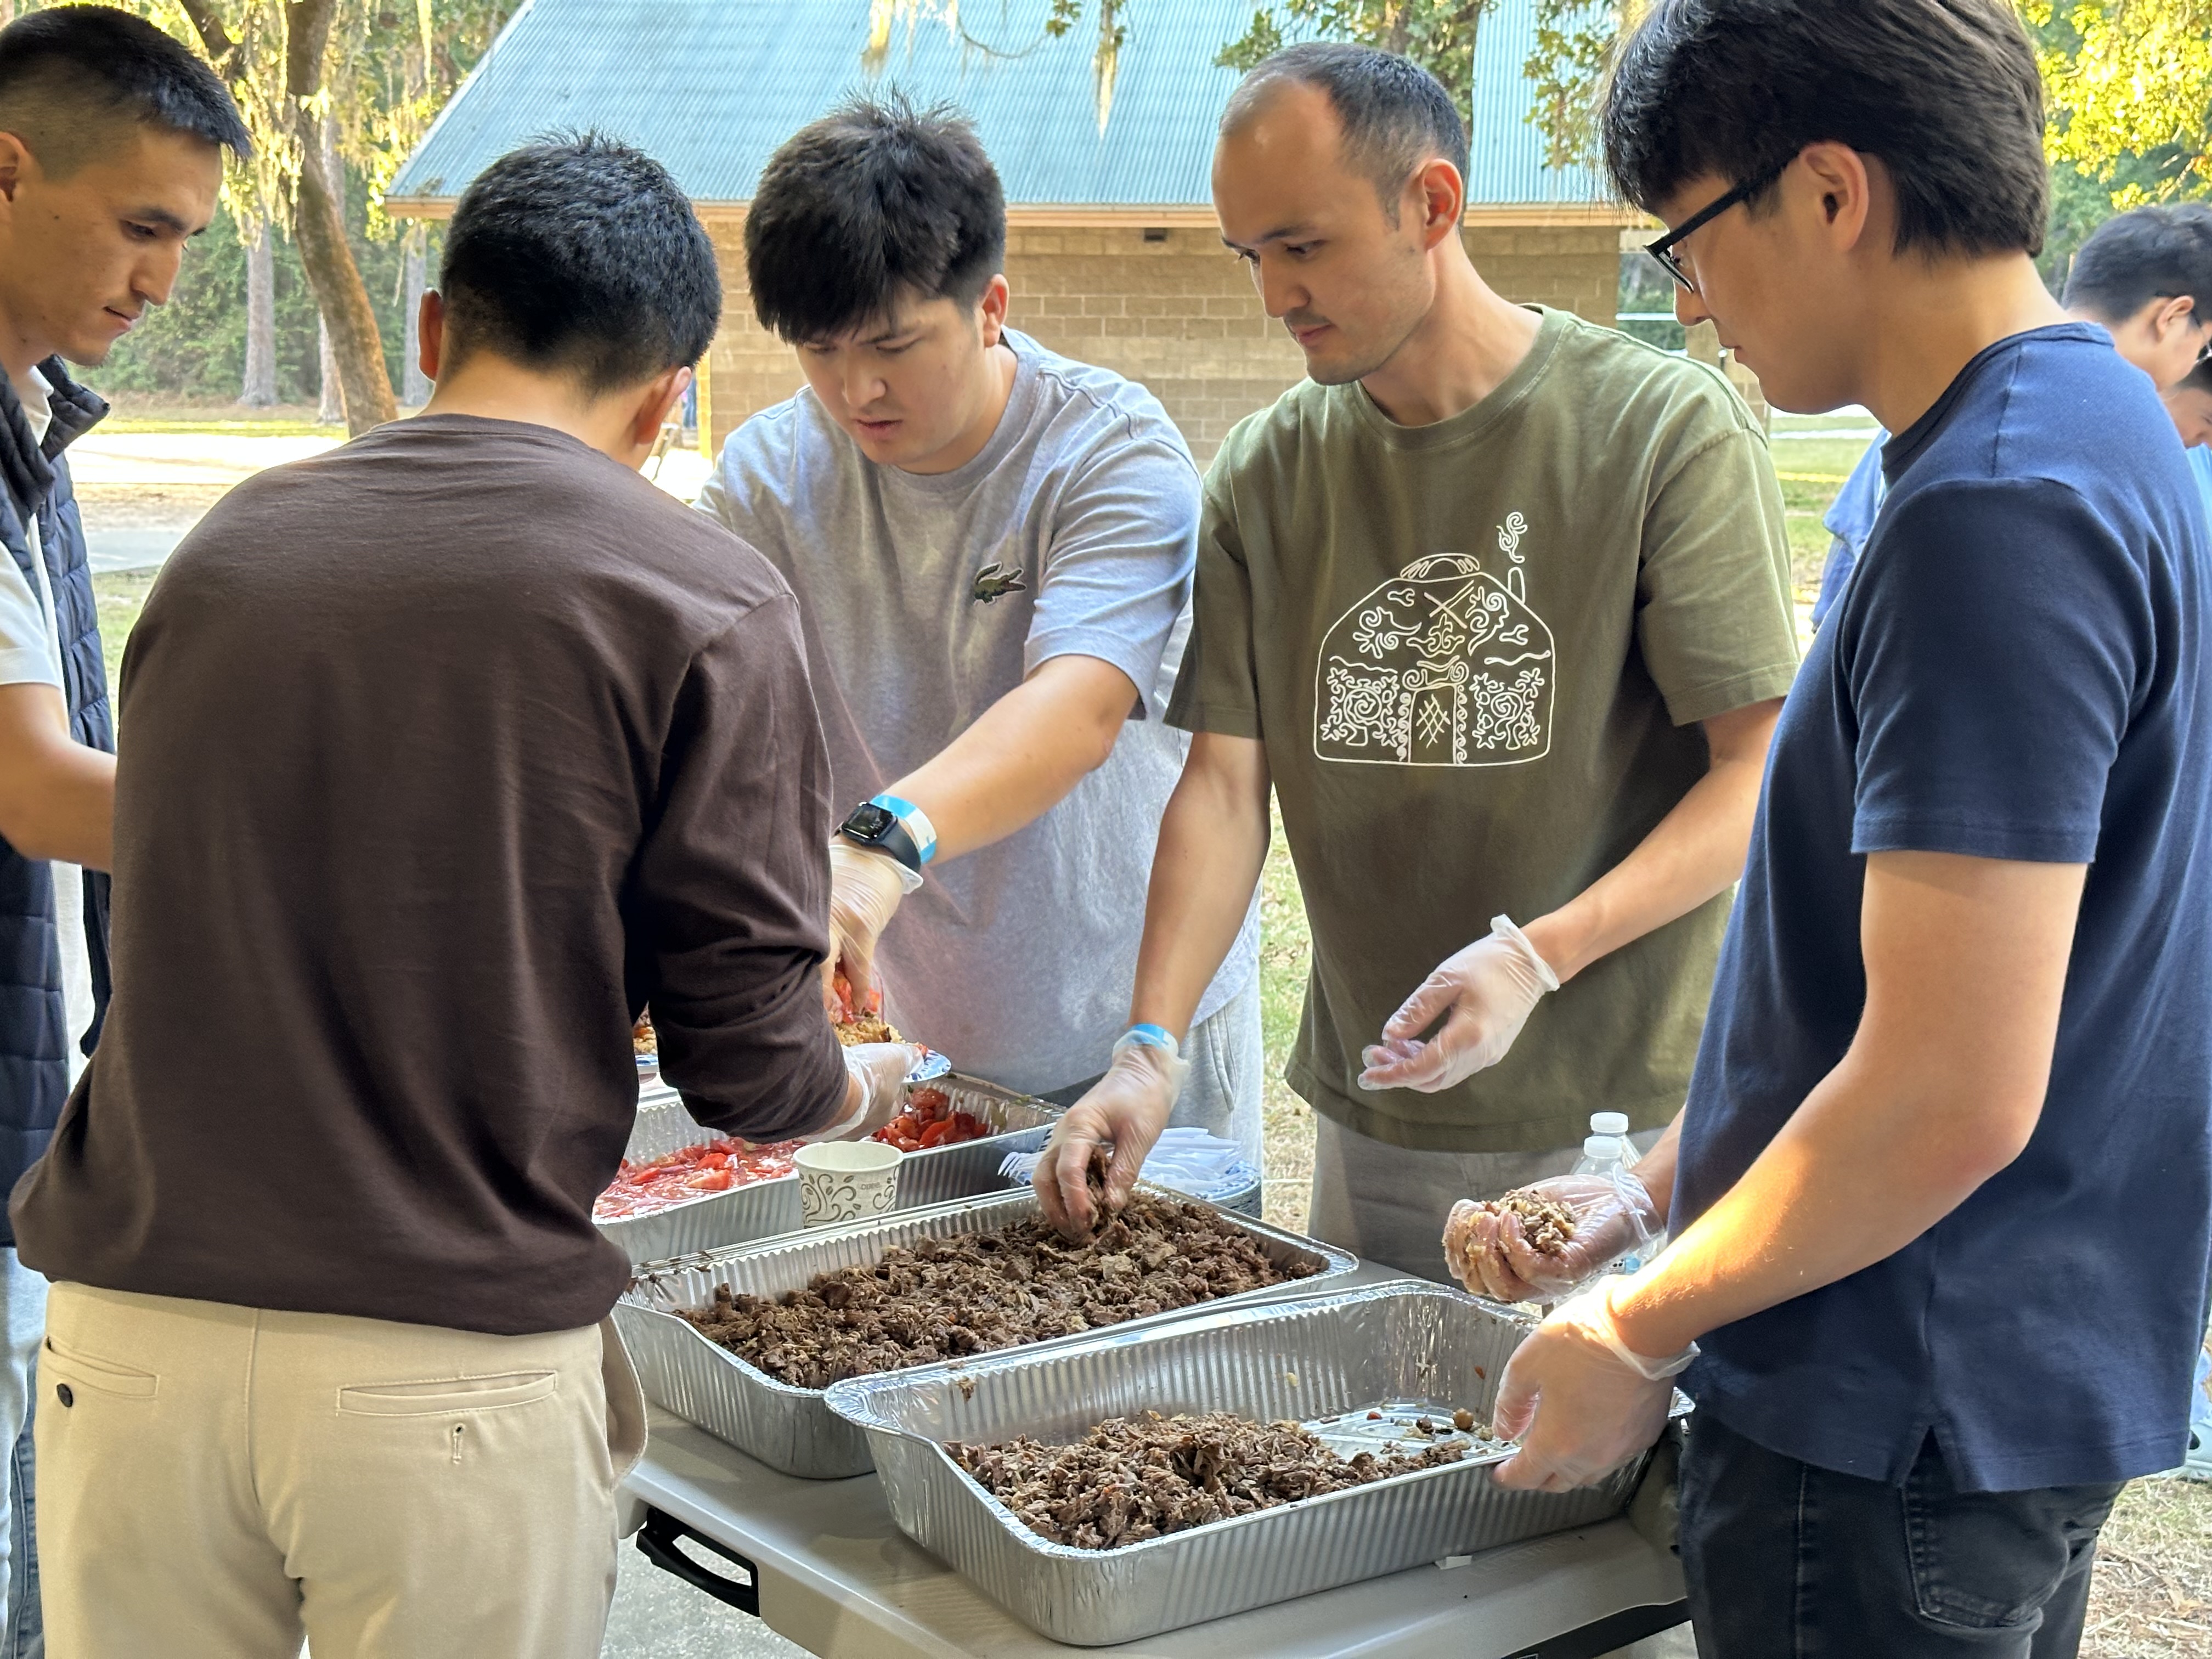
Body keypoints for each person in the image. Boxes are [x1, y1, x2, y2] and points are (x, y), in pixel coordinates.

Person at [10, 135, 917, 1659]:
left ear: (434, 331)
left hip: (133, 1328)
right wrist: (864, 1094)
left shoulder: (225, 554)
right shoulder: (700, 599)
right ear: (668, 395)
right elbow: (750, 1067)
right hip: (445, 1365)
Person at [1472, 5, 2212, 1657]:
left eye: (1688, 236)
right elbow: (1933, 978)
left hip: (1889, 1417)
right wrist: (1663, 1186)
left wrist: (1638, 1328)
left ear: (1826, 193)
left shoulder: (1996, 510)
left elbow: (1949, 1091)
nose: (1690, 298)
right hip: (1992, 1385)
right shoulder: (2088, 428)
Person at [1032, 43, 1801, 1278]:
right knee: (1392, 1446)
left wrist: (1533, 954)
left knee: (1609, 1458)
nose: (1274, 293)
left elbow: (1760, 771)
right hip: (1376, 1111)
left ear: (1432, 205)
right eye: (1249, 257)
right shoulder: (1266, 474)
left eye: (1305, 245)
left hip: (1623, 1121)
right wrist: (1149, 1048)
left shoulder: (1659, 432)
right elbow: (1227, 792)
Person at [697, 97, 1262, 1151]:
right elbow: (680, 682)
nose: (854, 388)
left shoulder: (1108, 452)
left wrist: (879, 844)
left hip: (1132, 1028)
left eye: (892, 344)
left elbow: (1077, 709)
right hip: (910, 1039)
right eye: (818, 352)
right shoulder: (766, 480)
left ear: (990, 304)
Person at [0, 10, 248, 1654]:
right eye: (142, 226)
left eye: (189, 241)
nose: (164, 281)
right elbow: (37, 783)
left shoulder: (36, 417)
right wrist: (345, 825)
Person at [1816, 201, 2212, 624]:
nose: (2193, 366)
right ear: (2171, 317)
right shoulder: (2106, 441)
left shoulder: (1944, 401)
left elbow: (1840, 598)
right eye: (2203, 347)